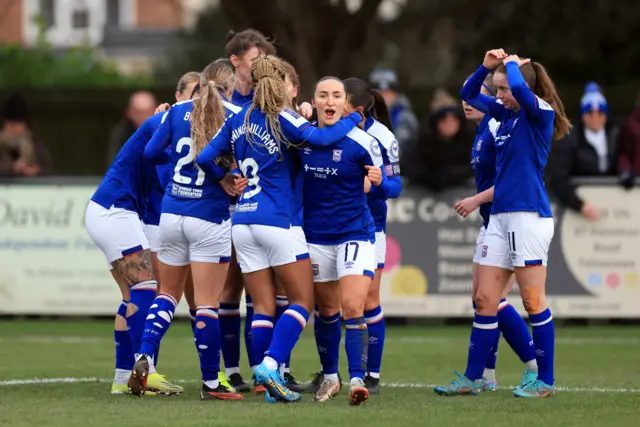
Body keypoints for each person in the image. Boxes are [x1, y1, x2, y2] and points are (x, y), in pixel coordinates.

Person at [197, 55, 366, 403]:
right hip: (278, 221)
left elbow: (204, 158)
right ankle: (271, 365)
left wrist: (225, 179)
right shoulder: (281, 116)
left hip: (242, 222)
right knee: (303, 302)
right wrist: (350, 120)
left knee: (262, 307)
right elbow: (319, 141)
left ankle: (269, 389)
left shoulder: (240, 119)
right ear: (280, 83)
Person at [436, 49, 571, 398]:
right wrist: (484, 66)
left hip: (528, 214)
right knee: (484, 299)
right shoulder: (507, 116)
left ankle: (545, 381)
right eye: (496, 90)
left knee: (532, 300)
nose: (498, 96)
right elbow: (467, 94)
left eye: (502, 90)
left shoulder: (538, 111)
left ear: (519, 87)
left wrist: (511, 65)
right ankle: (473, 377)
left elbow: (523, 93)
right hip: (499, 217)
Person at [130, 60, 243, 401]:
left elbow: (149, 152)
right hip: (208, 215)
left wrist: (179, 160)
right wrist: (224, 175)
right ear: (231, 85)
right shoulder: (234, 114)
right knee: (207, 304)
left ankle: (144, 358)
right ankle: (212, 383)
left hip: (172, 213)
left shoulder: (176, 111)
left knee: (167, 294)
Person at [85, 99, 183, 397]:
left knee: (131, 297)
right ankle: (146, 370)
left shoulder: (171, 134)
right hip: (115, 210)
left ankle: (123, 379)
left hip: (110, 211)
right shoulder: (160, 126)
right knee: (147, 287)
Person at [302, 76, 385, 406]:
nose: (330, 100)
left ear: (345, 102)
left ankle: (356, 380)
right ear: (315, 101)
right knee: (326, 310)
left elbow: (382, 186)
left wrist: (376, 182)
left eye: (336, 95)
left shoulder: (362, 141)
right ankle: (330, 377)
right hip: (316, 236)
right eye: (323, 94)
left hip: (354, 233)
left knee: (352, 306)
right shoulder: (302, 138)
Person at [453, 74, 538, 391]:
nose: (468, 102)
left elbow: (508, 179)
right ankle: (487, 375)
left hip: (510, 220)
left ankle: (533, 365)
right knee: (484, 300)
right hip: (493, 223)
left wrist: (476, 199)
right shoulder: (481, 132)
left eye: (483, 94)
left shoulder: (497, 126)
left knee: (492, 299)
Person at [219, 29, 277, 392]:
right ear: (236, 62)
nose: (260, 70)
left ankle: (262, 371)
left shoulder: (267, 101)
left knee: (261, 293)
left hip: (260, 208)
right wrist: (224, 174)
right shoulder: (221, 101)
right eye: (255, 62)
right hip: (224, 207)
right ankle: (230, 370)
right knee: (229, 291)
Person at [548, 83, 621, 221]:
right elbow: (558, 178)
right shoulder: (569, 141)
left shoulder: (615, 138)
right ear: (582, 115)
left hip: (614, 212)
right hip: (577, 214)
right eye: (589, 112)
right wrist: (580, 205)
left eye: (600, 112)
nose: (595, 117)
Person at [402, 89, 473, 192]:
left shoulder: (470, 143)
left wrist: (452, 176)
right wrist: (431, 178)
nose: (450, 124)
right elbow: (409, 167)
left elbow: (477, 168)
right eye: (444, 120)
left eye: (454, 120)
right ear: (436, 122)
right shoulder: (422, 143)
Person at [0, 93, 53, 177]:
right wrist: (12, 168)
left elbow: (49, 169)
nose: (14, 128)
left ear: (25, 125)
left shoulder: (35, 143)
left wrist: (36, 171)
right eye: (10, 124)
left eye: (18, 124)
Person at [369, 68, 418, 152]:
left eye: (388, 92)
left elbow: (408, 149)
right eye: (380, 92)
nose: (384, 96)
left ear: (396, 94)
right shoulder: (362, 115)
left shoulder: (406, 118)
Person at [106, 91, 157, 169]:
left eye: (149, 111)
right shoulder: (121, 133)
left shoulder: (170, 131)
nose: (144, 117)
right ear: (129, 113)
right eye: (139, 112)